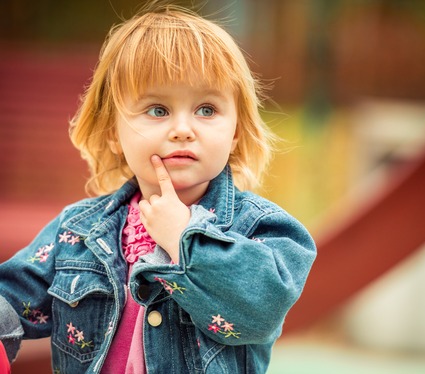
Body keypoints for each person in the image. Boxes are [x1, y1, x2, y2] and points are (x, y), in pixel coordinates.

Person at [0, 2, 316, 373]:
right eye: (158, 110)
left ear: (236, 133)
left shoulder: (260, 230)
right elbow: (12, 296)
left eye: (206, 110)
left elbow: (260, 310)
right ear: (112, 133)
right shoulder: (78, 233)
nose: (183, 128)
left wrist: (184, 240)